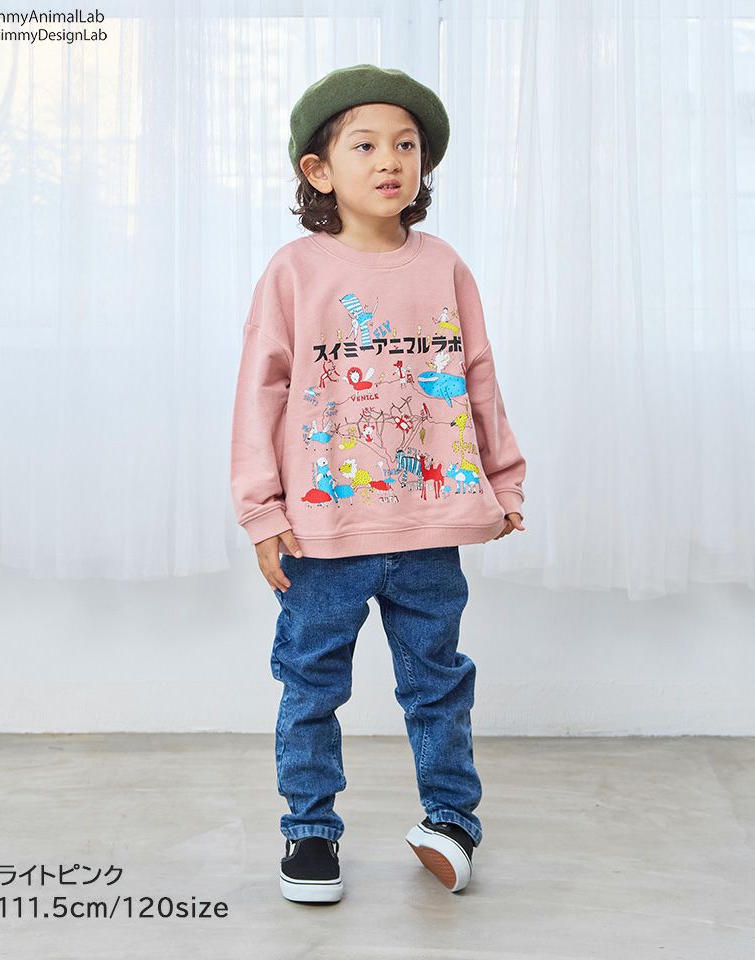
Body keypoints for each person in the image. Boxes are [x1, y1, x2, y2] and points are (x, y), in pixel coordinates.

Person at [230, 64, 526, 904]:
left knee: (438, 683)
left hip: (431, 525)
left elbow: (477, 376)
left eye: (406, 145)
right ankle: (310, 832)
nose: (390, 159)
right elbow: (259, 392)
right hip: (322, 537)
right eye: (364, 145)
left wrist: (503, 481)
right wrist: (261, 512)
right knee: (311, 686)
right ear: (318, 170)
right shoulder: (294, 272)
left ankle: (451, 822)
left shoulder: (445, 267)